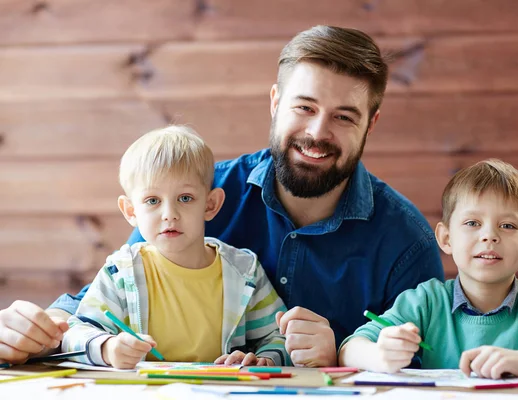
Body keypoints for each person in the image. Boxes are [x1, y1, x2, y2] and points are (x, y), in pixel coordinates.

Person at [0, 25, 444, 367]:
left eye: (344, 117)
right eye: (304, 107)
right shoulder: (195, 193)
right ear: (275, 103)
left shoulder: (406, 242)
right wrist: (28, 332)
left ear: (372, 123)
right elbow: (109, 294)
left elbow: (430, 369)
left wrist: (348, 351)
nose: (317, 132)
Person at [339, 159, 518, 378]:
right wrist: (380, 354)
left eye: (508, 226)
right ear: (446, 239)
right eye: (473, 222)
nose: (489, 236)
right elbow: (349, 349)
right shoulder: (426, 302)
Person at [61, 126, 288, 369]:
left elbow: (279, 337)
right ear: (131, 211)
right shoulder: (121, 272)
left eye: (185, 198)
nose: (169, 214)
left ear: (211, 204)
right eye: (152, 201)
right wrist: (106, 348)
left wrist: (265, 358)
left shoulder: (245, 272)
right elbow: (73, 334)